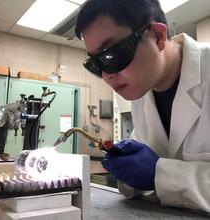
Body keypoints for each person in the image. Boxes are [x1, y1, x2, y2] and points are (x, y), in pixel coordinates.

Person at [75, 0, 210, 214]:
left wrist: (160, 174)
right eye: (96, 65)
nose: (107, 76)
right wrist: (128, 170)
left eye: (111, 56)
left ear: (157, 36)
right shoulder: (141, 93)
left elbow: (157, 175)